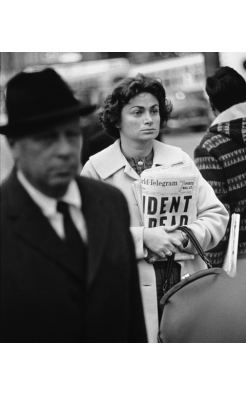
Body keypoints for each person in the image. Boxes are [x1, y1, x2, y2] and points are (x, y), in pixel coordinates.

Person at [0, 68, 147, 343]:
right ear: (14, 145)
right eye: (46, 138)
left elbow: (132, 315)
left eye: (71, 134)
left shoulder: (111, 203)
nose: (65, 149)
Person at [81, 74, 229, 342]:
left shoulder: (179, 159)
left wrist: (186, 235)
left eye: (154, 111)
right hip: (126, 291)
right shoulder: (95, 168)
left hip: (185, 282)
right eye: (137, 112)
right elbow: (86, 234)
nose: (149, 119)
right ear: (117, 119)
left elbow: (216, 214)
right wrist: (143, 238)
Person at [194, 66, 246, 268]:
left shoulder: (210, 147)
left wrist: (210, 269)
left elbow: (217, 217)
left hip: (240, 263)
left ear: (212, 106)